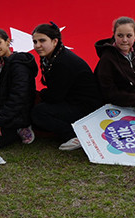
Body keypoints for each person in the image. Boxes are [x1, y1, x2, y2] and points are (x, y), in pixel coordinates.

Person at [29, 22, 102, 151]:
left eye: (42, 41)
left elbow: (55, 96)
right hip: (72, 101)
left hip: (85, 107)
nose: (37, 45)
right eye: (35, 42)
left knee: (38, 113)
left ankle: (74, 135)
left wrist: (41, 95)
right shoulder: (52, 56)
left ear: (55, 41)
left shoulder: (62, 62)